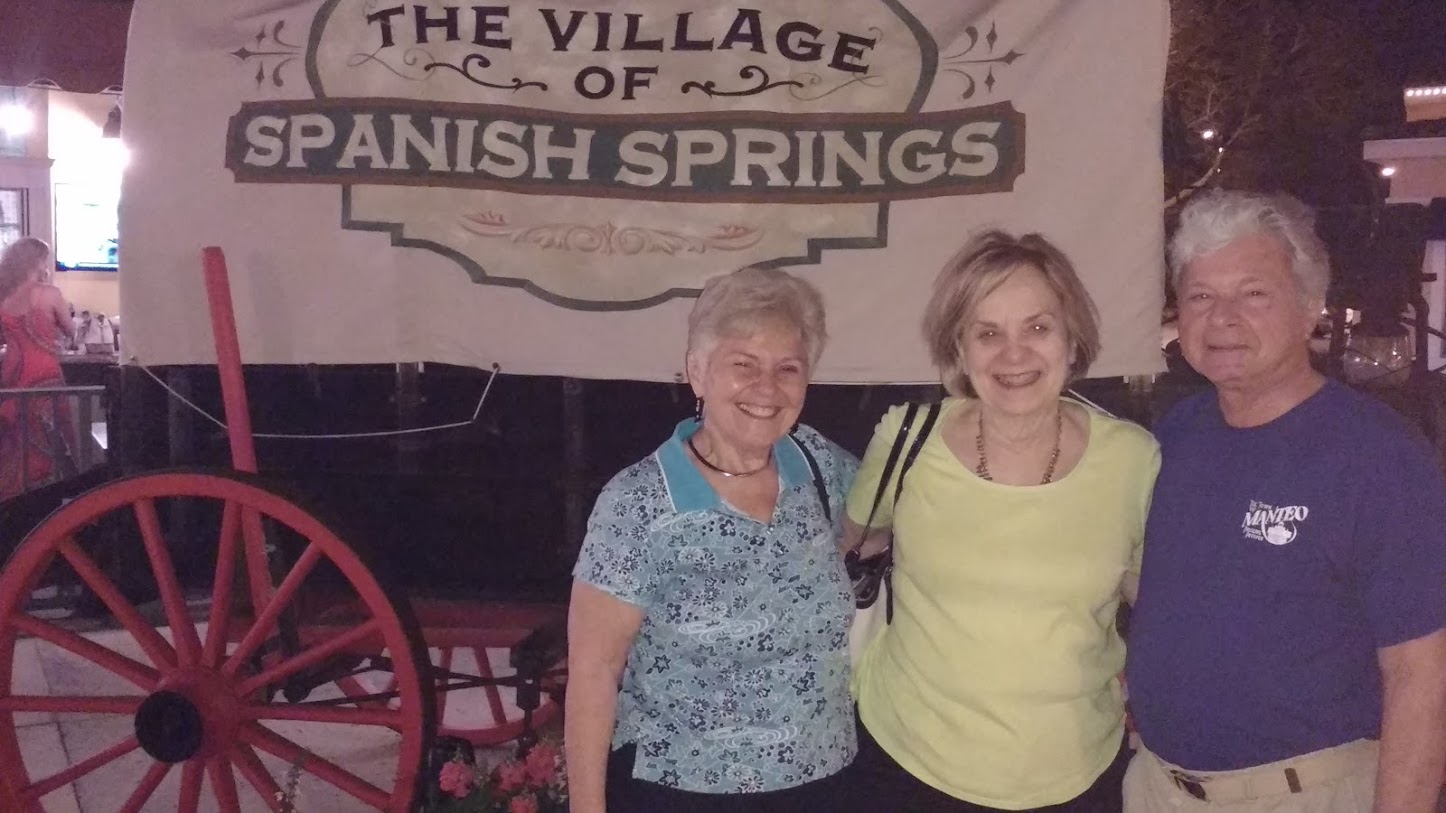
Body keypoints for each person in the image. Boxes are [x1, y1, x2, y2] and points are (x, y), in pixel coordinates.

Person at [1124, 189, 1446, 812]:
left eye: (1253, 293)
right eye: (1200, 296)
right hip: (1160, 789)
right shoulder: (1177, 434)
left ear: (1310, 308)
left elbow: (1422, 673)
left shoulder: (1377, 456)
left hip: (1306, 795)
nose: (1222, 318)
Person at [843, 230, 1161, 812]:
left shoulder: (1135, 460)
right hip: (907, 762)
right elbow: (860, 545)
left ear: (1072, 339)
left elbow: (1156, 606)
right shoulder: (907, 440)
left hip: (1076, 773)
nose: (1014, 355)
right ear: (959, 350)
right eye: (987, 333)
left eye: (1037, 328)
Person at [564, 266, 858, 813]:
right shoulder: (639, 501)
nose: (767, 388)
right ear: (697, 372)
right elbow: (593, 673)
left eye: (787, 368)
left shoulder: (817, 464)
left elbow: (883, 519)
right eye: (743, 364)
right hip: (681, 789)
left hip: (826, 781)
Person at [0, 237, 76, 499]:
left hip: (13, 373)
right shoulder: (49, 293)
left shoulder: (5, 295)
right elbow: (71, 332)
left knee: (17, 437)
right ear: (39, 262)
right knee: (52, 435)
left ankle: (14, 499)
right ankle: (51, 497)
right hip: (45, 372)